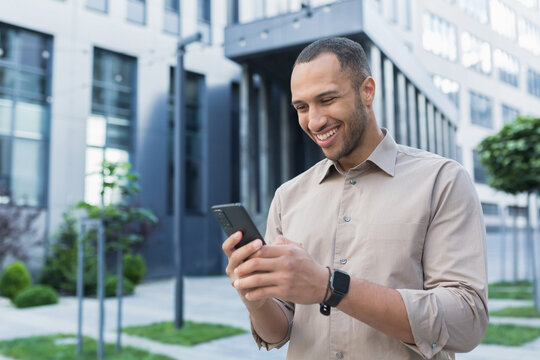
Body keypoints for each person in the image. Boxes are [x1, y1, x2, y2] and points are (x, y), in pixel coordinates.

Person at [222, 37, 488, 360]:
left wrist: (331, 287)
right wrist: (254, 296)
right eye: (302, 107)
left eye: (327, 99)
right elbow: (278, 332)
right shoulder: (287, 197)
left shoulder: (442, 181)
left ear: (367, 91)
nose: (315, 121)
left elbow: (467, 321)